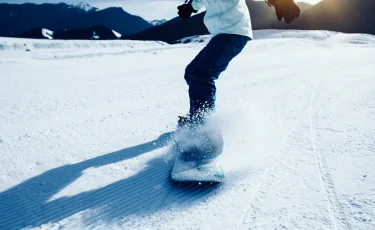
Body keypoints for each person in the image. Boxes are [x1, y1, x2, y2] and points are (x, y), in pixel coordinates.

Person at [177, 0, 300, 127]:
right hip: (222, 33)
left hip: (233, 31)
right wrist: (190, 7)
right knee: (191, 72)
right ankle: (197, 115)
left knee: (201, 75)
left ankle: (204, 127)